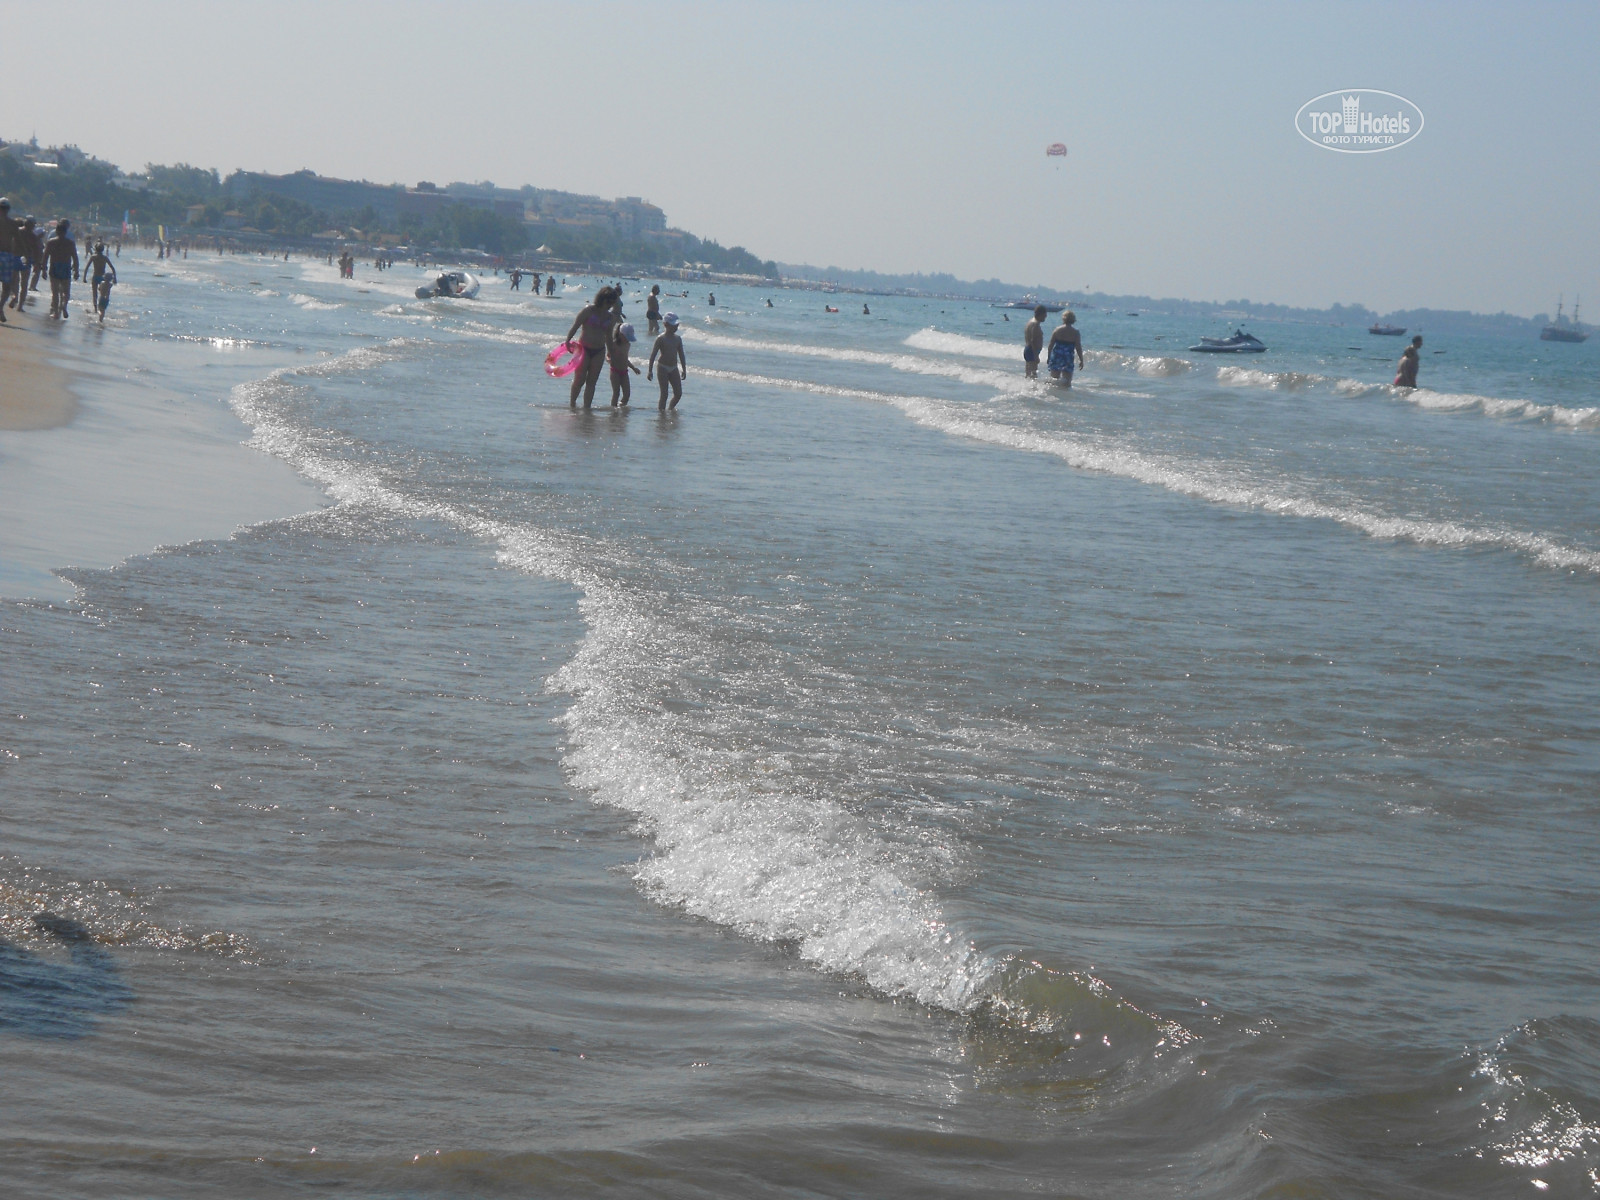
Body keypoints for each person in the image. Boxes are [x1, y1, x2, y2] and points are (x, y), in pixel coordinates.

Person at [562, 285, 621, 408]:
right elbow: (576, 325)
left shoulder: (610, 317)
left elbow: (609, 337)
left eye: (612, 303)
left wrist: (611, 354)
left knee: (592, 382)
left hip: (599, 351)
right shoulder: (588, 311)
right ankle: (572, 404)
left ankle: (586, 408)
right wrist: (568, 340)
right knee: (580, 379)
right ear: (602, 298)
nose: (609, 305)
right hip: (584, 349)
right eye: (608, 302)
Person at [42, 219, 80, 319]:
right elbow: (75, 257)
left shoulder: (51, 242)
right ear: (66, 231)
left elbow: (45, 256)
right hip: (66, 267)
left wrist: (44, 270)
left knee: (55, 292)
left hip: (54, 266)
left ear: (57, 231)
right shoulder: (70, 243)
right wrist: (76, 270)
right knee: (66, 292)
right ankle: (64, 306)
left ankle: (55, 312)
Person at [649, 312, 686, 411]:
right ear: (666, 325)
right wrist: (650, 370)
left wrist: (684, 369)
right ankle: (661, 414)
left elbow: (681, 355)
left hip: (673, 367)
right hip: (662, 367)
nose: (676, 327)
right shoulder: (661, 339)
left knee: (678, 393)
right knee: (664, 394)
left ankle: (670, 409)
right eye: (674, 325)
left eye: (677, 325)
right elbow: (653, 355)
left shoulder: (678, 339)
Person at [1046, 311, 1084, 386]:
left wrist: (1049, 356)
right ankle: (1066, 395)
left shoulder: (1057, 330)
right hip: (1068, 356)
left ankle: (1054, 393)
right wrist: (1081, 360)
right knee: (1067, 381)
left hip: (1057, 355)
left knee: (1054, 378)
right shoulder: (1075, 332)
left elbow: (1050, 345)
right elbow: (1078, 347)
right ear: (1073, 319)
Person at [608, 321, 640, 407]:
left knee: (627, 394)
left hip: (624, 372)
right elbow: (607, 356)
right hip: (614, 371)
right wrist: (609, 360)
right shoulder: (614, 344)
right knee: (616, 393)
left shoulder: (627, 345)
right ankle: (613, 410)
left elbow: (625, 359)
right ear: (621, 334)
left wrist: (633, 368)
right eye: (627, 337)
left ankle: (621, 407)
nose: (628, 340)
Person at [86, 242, 117, 321]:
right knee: (103, 294)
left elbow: (87, 267)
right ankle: (102, 308)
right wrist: (115, 278)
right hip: (102, 277)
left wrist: (84, 277)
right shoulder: (105, 258)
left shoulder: (93, 257)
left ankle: (96, 309)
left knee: (94, 293)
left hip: (95, 276)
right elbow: (112, 268)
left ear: (95, 249)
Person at [1023, 304, 1047, 379]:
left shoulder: (1030, 322)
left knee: (1028, 374)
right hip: (1032, 351)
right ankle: (1032, 389)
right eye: (1045, 315)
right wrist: (1036, 356)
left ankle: (1026, 387)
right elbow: (1032, 340)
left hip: (1028, 349)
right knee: (1033, 374)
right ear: (1041, 314)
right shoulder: (1035, 324)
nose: (1046, 317)